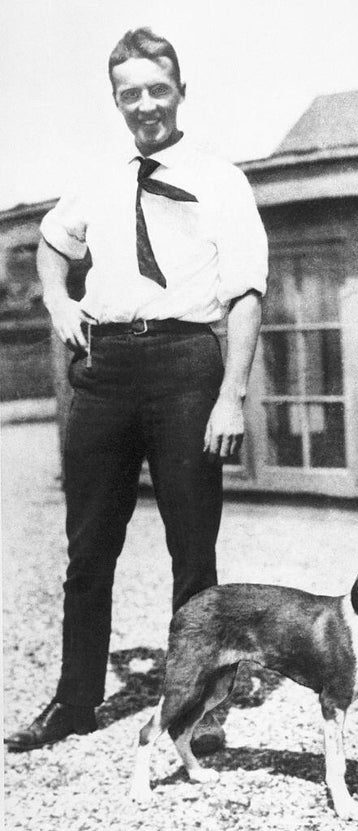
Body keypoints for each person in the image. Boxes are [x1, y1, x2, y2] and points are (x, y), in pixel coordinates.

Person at [5, 27, 267, 753]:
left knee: (193, 546)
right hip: (106, 369)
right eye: (131, 94)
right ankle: (75, 698)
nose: (145, 104)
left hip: (187, 363)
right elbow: (53, 243)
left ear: (181, 90)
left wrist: (230, 394)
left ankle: (195, 707)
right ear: (116, 101)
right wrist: (59, 304)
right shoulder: (100, 176)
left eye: (157, 89)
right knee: (88, 547)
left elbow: (245, 293)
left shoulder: (220, 178)